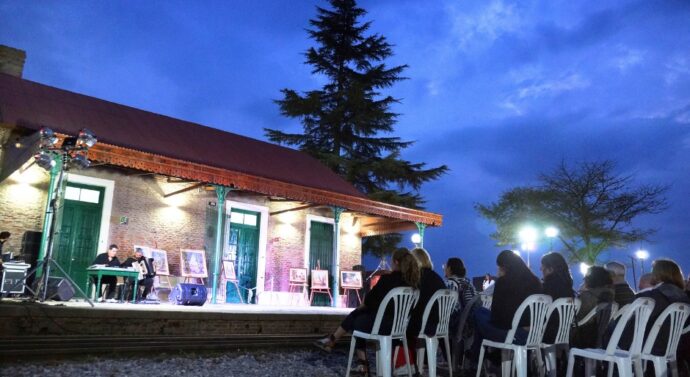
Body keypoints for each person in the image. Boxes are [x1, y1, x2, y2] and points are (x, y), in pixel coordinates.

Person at [313, 248, 420, 375]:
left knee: (357, 320)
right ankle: (337, 344)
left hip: (382, 326)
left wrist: (361, 308)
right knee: (360, 317)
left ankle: (354, 358)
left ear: (396, 262)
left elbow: (367, 301)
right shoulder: (413, 284)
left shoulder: (387, 280)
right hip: (400, 328)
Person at [471, 250, 542, 364]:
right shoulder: (535, 281)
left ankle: (476, 357)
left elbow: (497, 317)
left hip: (514, 334)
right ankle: (483, 355)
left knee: (478, 312)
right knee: (482, 313)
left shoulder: (503, 282)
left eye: (498, 267)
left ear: (504, 267)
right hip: (534, 334)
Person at [620, 259, 690, 355]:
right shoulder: (683, 296)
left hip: (650, 346)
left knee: (612, 332)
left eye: (652, 271)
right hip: (674, 346)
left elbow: (630, 321)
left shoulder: (653, 296)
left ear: (658, 274)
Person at [404, 248, 446, 372]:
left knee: (398, 328)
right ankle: (419, 363)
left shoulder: (418, 278)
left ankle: (404, 364)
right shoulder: (436, 277)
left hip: (425, 324)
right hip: (439, 324)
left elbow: (414, 305)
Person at [444, 257, 477, 365]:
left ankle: (450, 362)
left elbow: (448, 307)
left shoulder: (450, 283)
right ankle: (462, 364)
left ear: (449, 268)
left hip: (461, 322)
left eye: (445, 267)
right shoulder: (469, 282)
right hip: (473, 321)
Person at [572, 266, 615, 349]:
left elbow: (577, 318)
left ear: (590, 280)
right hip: (602, 339)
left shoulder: (587, 296)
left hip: (584, 338)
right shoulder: (609, 295)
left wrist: (580, 293)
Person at [540, 252, 574, 343]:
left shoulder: (548, 288)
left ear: (551, 269)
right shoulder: (569, 289)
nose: (541, 270)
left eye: (543, 268)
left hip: (546, 333)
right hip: (564, 333)